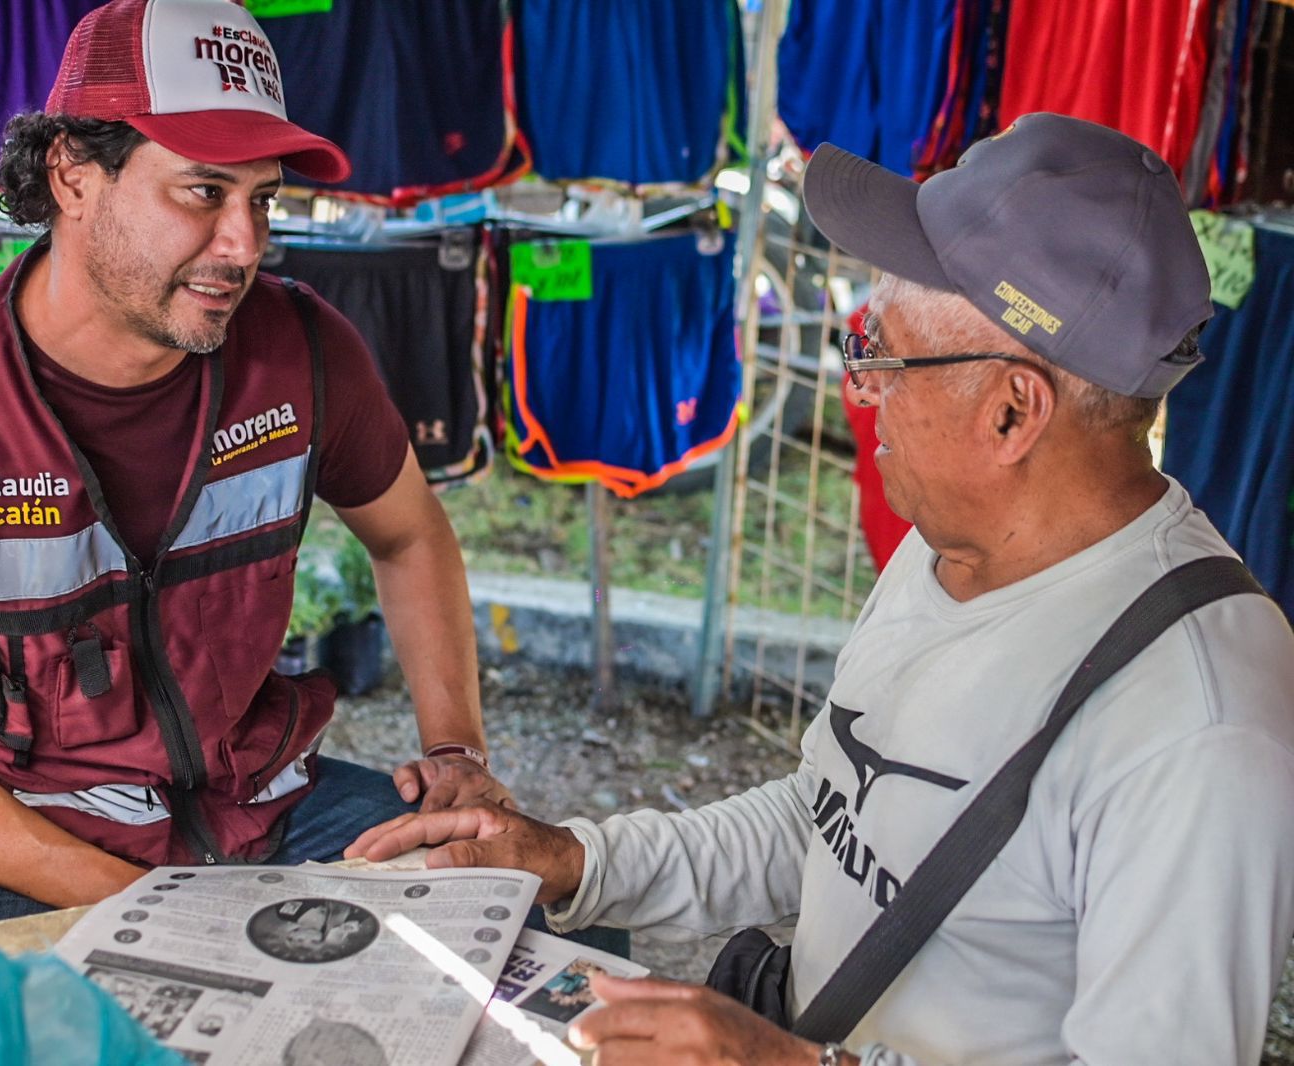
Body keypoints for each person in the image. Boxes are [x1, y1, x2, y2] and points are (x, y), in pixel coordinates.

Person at [348, 113, 1294, 1065]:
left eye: (882, 355)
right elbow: (827, 812)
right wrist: (580, 861)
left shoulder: (1197, 728)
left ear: (1013, 411)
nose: (862, 390)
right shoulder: (956, 548)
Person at [0, 0, 509, 937]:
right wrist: (141, 905)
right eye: (204, 191)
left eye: (262, 198)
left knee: (515, 913)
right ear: (74, 175)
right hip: (7, 837)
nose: (245, 244)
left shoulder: (303, 351)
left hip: (256, 809)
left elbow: (410, 534)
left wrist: (454, 744)